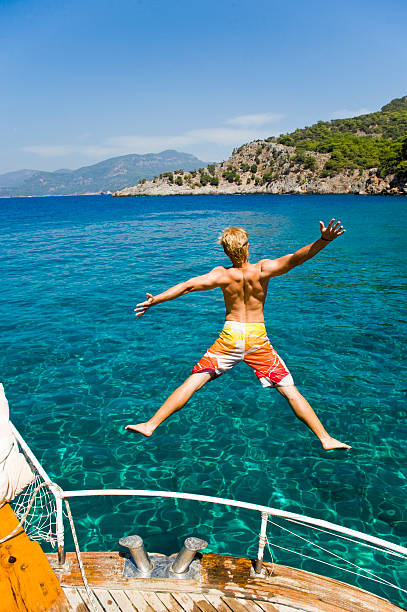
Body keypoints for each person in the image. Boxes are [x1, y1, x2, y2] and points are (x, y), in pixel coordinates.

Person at [126, 219, 351, 451]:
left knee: (193, 382)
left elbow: (188, 285)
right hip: (257, 338)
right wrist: (324, 240)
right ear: (247, 247)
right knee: (290, 391)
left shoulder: (222, 274)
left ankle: (150, 424)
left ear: (226, 250)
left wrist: (156, 300)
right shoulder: (263, 269)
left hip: (231, 336)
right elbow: (296, 258)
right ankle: (325, 438)